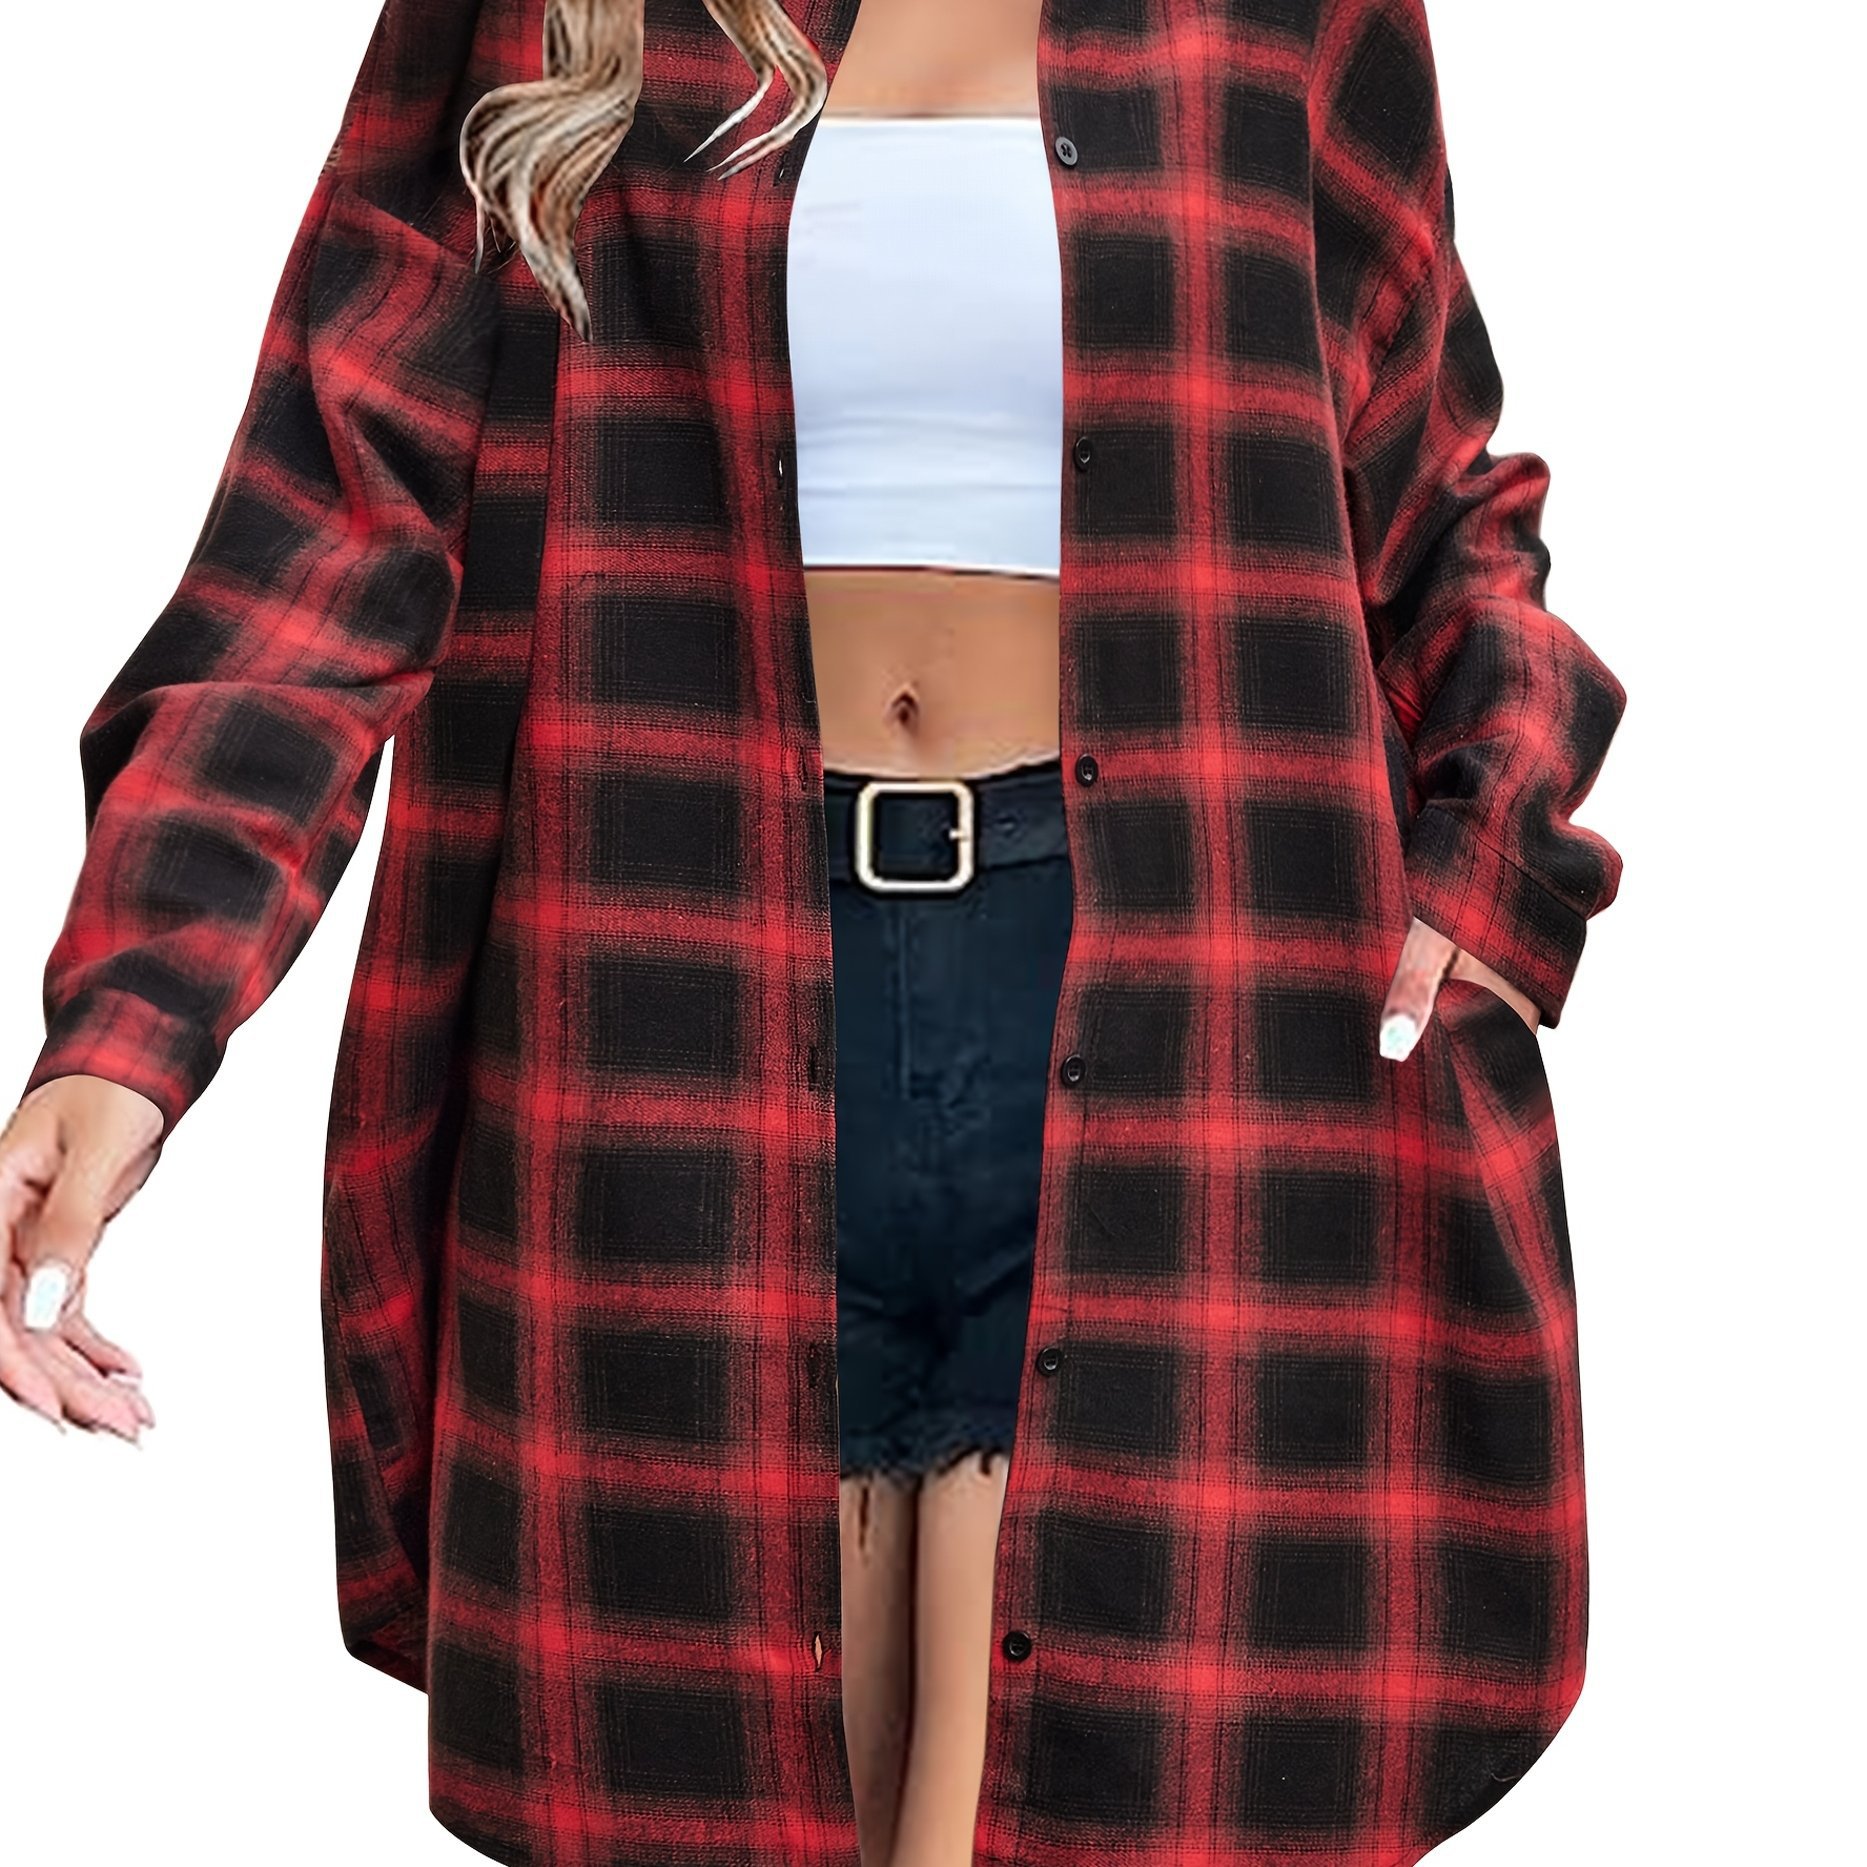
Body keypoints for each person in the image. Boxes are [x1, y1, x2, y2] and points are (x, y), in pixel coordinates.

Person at [0, 0, 1627, 1863]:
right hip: (678, 1020)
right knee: (730, 1790)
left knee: (1080, 1788)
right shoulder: (547, 15)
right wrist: (129, 1036)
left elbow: (1437, 494)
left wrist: (1502, 845)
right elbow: (329, 530)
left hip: (1174, 1020)